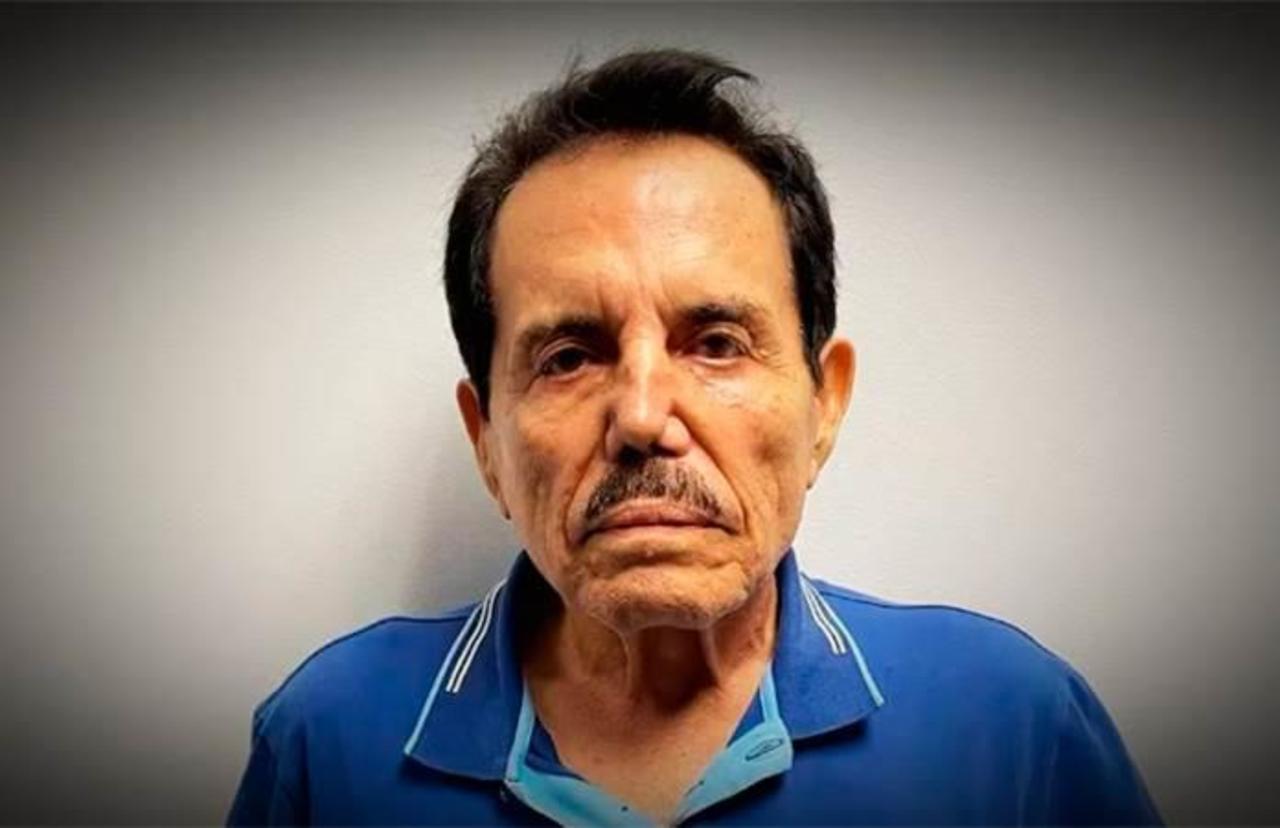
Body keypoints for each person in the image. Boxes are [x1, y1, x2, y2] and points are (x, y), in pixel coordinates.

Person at [228, 49, 1161, 826]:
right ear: (486, 441)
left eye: (716, 344)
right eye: (568, 357)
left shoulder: (1011, 727)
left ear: (824, 404)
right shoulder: (329, 742)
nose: (641, 417)